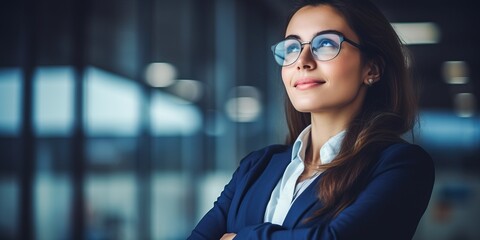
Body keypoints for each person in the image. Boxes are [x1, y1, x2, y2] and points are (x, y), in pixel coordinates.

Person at [188, 0, 435, 239]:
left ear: (372, 69)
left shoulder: (401, 165)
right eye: (292, 48)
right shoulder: (255, 167)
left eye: (326, 44)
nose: (302, 62)